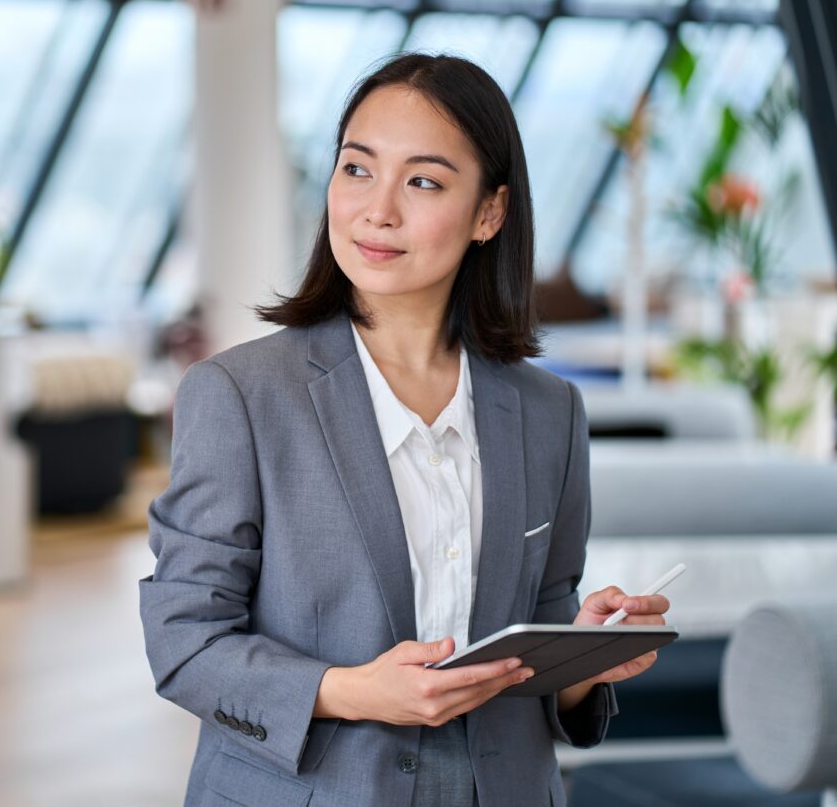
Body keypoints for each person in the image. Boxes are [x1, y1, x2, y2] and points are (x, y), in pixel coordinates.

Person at [138, 52, 670, 807]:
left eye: (422, 181)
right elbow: (185, 642)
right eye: (357, 169)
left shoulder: (550, 412)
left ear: (490, 212)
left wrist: (583, 656)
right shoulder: (240, 397)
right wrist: (354, 691)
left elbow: (542, 623)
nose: (376, 209)